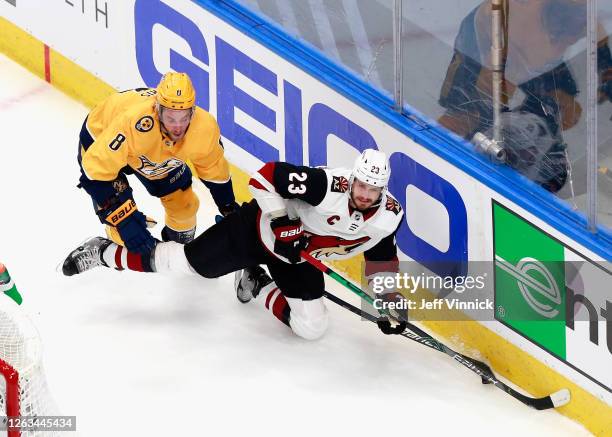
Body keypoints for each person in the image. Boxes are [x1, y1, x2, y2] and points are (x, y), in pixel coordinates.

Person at [62, 149, 405, 340]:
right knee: (180, 263)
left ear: (382, 191)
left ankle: (257, 282)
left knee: (312, 327)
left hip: (295, 259)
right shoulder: (328, 185)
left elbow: (382, 257)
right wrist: (282, 221)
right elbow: (264, 177)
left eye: (371, 190)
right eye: (360, 184)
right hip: (254, 230)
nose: (362, 193)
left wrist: (390, 299)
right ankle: (105, 253)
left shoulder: (388, 217)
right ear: (354, 178)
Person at [438, 0, 612, 192]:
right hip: (491, 45)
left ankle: (529, 144)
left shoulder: (576, 18)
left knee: (566, 109)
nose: (566, 44)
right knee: (472, 109)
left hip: (530, 60)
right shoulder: (508, 19)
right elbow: (489, 20)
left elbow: (597, 29)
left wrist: (606, 68)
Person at [77, 72, 238, 254]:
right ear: (157, 109)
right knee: (128, 234)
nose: (177, 127)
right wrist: (125, 220)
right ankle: (103, 250)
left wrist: (228, 206)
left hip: (151, 149)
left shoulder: (204, 127)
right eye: (170, 118)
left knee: (185, 206)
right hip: (101, 138)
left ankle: (173, 254)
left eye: (184, 118)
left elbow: (213, 167)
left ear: (193, 111)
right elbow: (94, 174)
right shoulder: (133, 123)